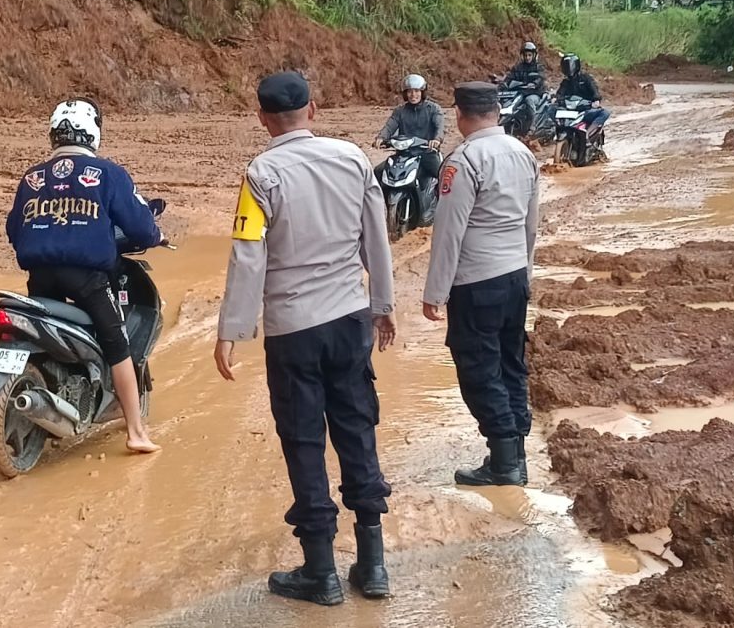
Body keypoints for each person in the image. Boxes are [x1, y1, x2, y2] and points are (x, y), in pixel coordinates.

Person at [217, 71, 398, 605]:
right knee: (357, 430)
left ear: (262, 119)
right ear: (313, 110)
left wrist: (232, 330)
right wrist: (383, 306)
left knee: (303, 442)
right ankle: (373, 566)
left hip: (293, 330)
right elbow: (377, 236)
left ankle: (320, 572)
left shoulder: (261, 173)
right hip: (349, 318)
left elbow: (248, 253)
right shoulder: (352, 159)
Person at [5, 99, 163, 455]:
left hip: (39, 278)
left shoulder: (32, 178)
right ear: (93, 132)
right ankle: (136, 431)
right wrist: (154, 236)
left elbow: (14, 229)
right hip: (87, 278)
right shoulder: (107, 174)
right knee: (117, 343)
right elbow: (140, 225)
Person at [422, 81, 542, 486]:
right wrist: (525, 274)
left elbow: (448, 233)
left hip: (476, 282)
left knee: (479, 368)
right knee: (511, 363)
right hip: (513, 277)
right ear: (497, 110)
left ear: (459, 114)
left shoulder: (464, 160)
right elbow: (531, 225)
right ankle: (516, 454)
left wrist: (434, 294)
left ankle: (504, 463)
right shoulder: (522, 153)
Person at [378, 73, 445, 224]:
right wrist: (381, 137)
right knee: (377, 172)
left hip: (426, 153)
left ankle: (445, 210)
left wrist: (436, 140)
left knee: (443, 177)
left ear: (423, 92)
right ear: (405, 94)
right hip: (403, 154)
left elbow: (439, 127)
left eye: (416, 91)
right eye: (409, 91)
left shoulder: (433, 109)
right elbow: (390, 125)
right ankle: (377, 209)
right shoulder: (400, 111)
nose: (413, 94)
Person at [554, 54, 607, 133]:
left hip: (586, 107)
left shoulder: (586, 78)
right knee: (551, 110)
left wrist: (596, 100)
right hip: (571, 109)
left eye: (571, 66)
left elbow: (594, 90)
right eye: (566, 66)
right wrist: (556, 99)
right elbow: (560, 93)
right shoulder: (566, 82)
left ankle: (588, 133)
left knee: (605, 113)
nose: (569, 69)